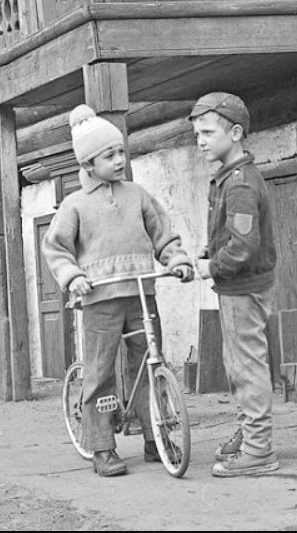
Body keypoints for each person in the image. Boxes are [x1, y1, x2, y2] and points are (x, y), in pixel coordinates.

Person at [42, 104, 194, 477]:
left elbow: (162, 234)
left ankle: (156, 438)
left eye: (121, 152)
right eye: (109, 155)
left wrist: (176, 259)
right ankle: (101, 446)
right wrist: (73, 277)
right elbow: (56, 248)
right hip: (100, 298)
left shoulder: (137, 195)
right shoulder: (75, 205)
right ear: (88, 164)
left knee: (150, 364)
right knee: (100, 371)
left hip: (141, 294)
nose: (119, 160)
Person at [189, 92, 279, 478]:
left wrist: (212, 266)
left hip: (243, 287)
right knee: (238, 365)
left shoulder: (240, 183)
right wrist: (210, 251)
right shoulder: (228, 178)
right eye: (197, 134)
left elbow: (243, 246)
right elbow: (232, 235)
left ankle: (259, 450)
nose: (201, 141)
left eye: (208, 132)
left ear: (236, 133)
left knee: (247, 367)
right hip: (236, 286)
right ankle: (249, 433)